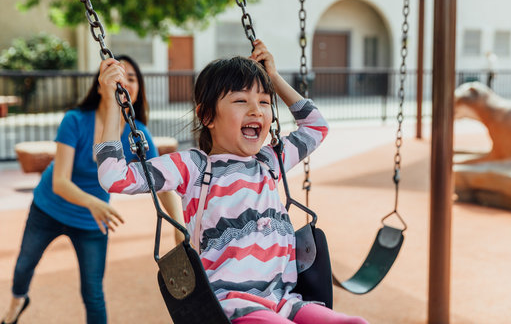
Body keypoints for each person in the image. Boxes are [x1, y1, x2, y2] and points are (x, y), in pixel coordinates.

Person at [94, 40, 368, 323]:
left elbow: (316, 126)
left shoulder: (270, 161)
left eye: (264, 101)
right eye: (241, 100)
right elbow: (115, 177)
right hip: (232, 306)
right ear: (207, 115)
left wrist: (274, 79)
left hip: (283, 300)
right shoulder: (194, 167)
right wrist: (112, 105)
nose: (256, 110)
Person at [1, 55, 181, 324]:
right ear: (100, 85)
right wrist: (95, 203)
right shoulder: (75, 120)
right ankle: (16, 305)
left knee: (93, 293)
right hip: (49, 208)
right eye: (119, 74)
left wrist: (180, 229)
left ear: (138, 89)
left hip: (90, 222)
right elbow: (59, 181)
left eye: (132, 78)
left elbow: (163, 184)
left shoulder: (137, 134)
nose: (125, 81)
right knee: (24, 266)